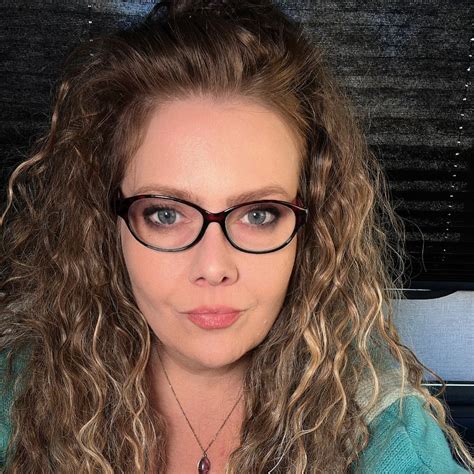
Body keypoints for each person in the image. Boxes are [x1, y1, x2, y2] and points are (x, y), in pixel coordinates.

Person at [0, 0, 472, 472]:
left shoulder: (383, 433)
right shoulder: (23, 393)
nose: (213, 268)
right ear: (108, 221)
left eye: (259, 214)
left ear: (311, 227)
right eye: (165, 214)